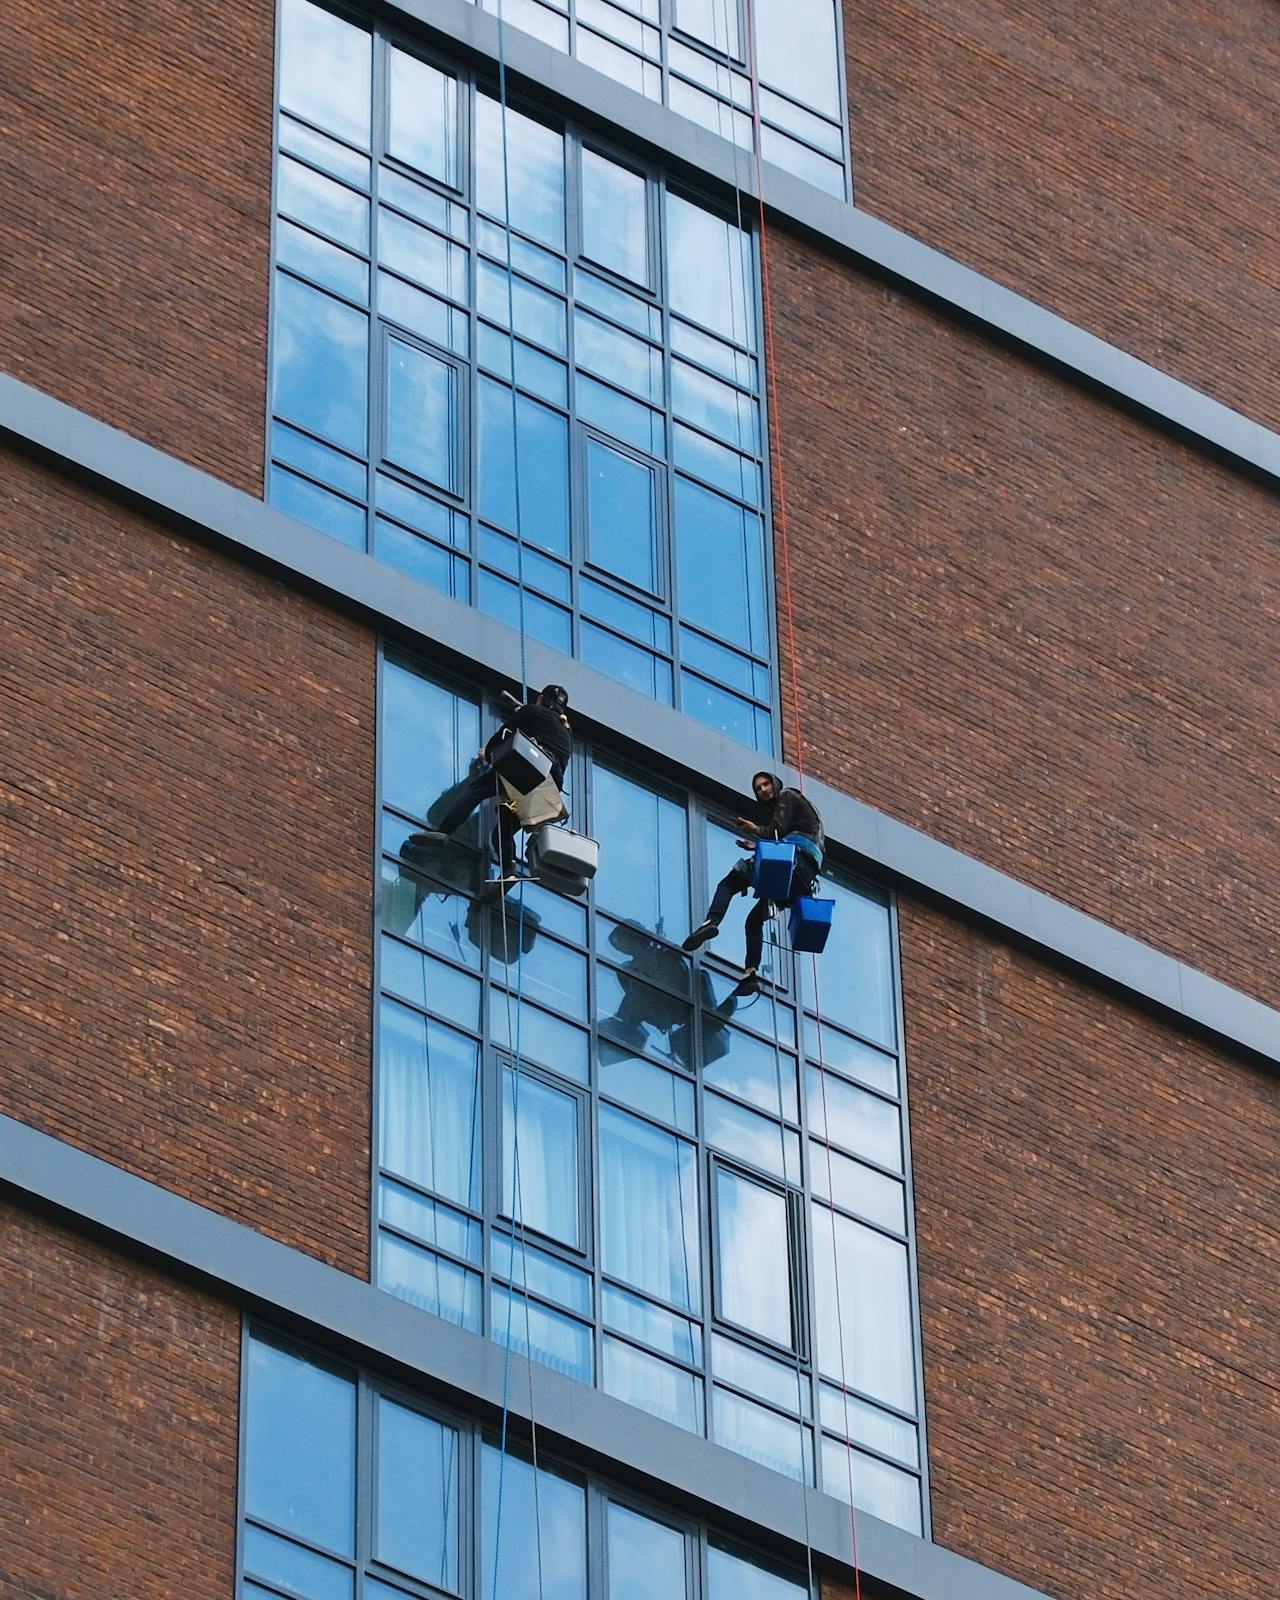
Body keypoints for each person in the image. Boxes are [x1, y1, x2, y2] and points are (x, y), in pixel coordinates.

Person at [408, 685, 572, 883]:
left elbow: (503, 734)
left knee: (475, 791)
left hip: (524, 767)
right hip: (542, 787)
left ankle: (443, 832)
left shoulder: (532, 710)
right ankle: (509, 870)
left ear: (540, 698)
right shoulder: (566, 734)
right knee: (502, 830)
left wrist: (489, 753)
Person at [682, 771, 824, 994]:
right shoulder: (797, 813)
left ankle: (711, 922)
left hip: (793, 863)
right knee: (754, 920)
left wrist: (753, 829)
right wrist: (757, 846)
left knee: (729, 883)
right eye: (759, 788)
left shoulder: (787, 795)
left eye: (766, 784)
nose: (763, 790)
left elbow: (774, 832)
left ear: (775, 784)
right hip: (801, 877)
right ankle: (751, 973)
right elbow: (785, 836)